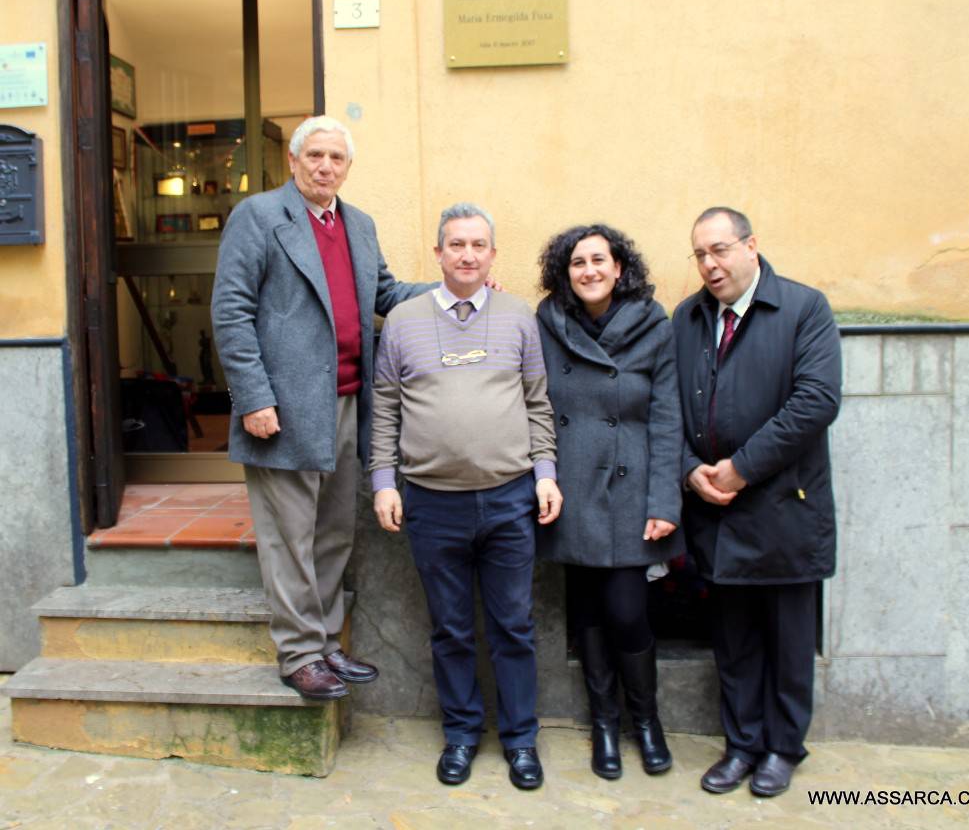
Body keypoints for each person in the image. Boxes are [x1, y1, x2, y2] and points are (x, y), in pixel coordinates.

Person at [211, 116, 430, 701]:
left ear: (347, 167)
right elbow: (230, 313)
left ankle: (328, 644)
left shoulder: (358, 225)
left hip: (346, 403)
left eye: (336, 157)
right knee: (288, 537)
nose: (325, 166)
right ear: (292, 159)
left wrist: (449, 290)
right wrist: (252, 396)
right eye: (315, 156)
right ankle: (299, 652)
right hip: (280, 410)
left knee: (333, 532)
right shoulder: (258, 218)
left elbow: (383, 293)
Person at [369, 202, 563, 791]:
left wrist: (545, 472)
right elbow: (384, 408)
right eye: (457, 244)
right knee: (450, 629)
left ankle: (521, 741)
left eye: (479, 245)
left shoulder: (517, 317)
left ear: (493, 254)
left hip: (509, 501)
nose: (468, 255)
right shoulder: (402, 320)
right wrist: (382, 482)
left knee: (513, 626)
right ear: (438, 254)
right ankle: (459, 735)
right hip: (432, 503)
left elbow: (537, 402)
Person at [672, 206, 841, 797]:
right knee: (733, 639)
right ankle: (742, 745)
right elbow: (670, 409)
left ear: (751, 246)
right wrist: (691, 470)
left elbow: (816, 401)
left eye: (719, 250)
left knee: (787, 641)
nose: (710, 265)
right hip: (714, 510)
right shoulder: (688, 317)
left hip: (783, 508)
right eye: (699, 254)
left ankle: (783, 748)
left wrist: (741, 468)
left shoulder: (803, 308)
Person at [535, 224, 683, 780]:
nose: (590, 270)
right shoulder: (547, 323)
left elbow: (668, 418)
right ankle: (604, 725)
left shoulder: (654, 324)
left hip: (632, 486)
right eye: (578, 262)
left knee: (627, 610)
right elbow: (534, 402)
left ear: (620, 268)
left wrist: (665, 499)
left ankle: (646, 722)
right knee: (589, 614)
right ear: (564, 272)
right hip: (572, 486)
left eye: (600, 259)